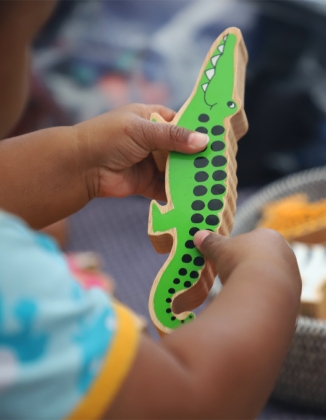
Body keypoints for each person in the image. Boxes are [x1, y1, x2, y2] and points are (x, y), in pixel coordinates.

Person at [0, 1, 301, 419]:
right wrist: (270, 278)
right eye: (29, 41)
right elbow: (194, 402)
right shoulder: (11, 281)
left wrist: (82, 159)